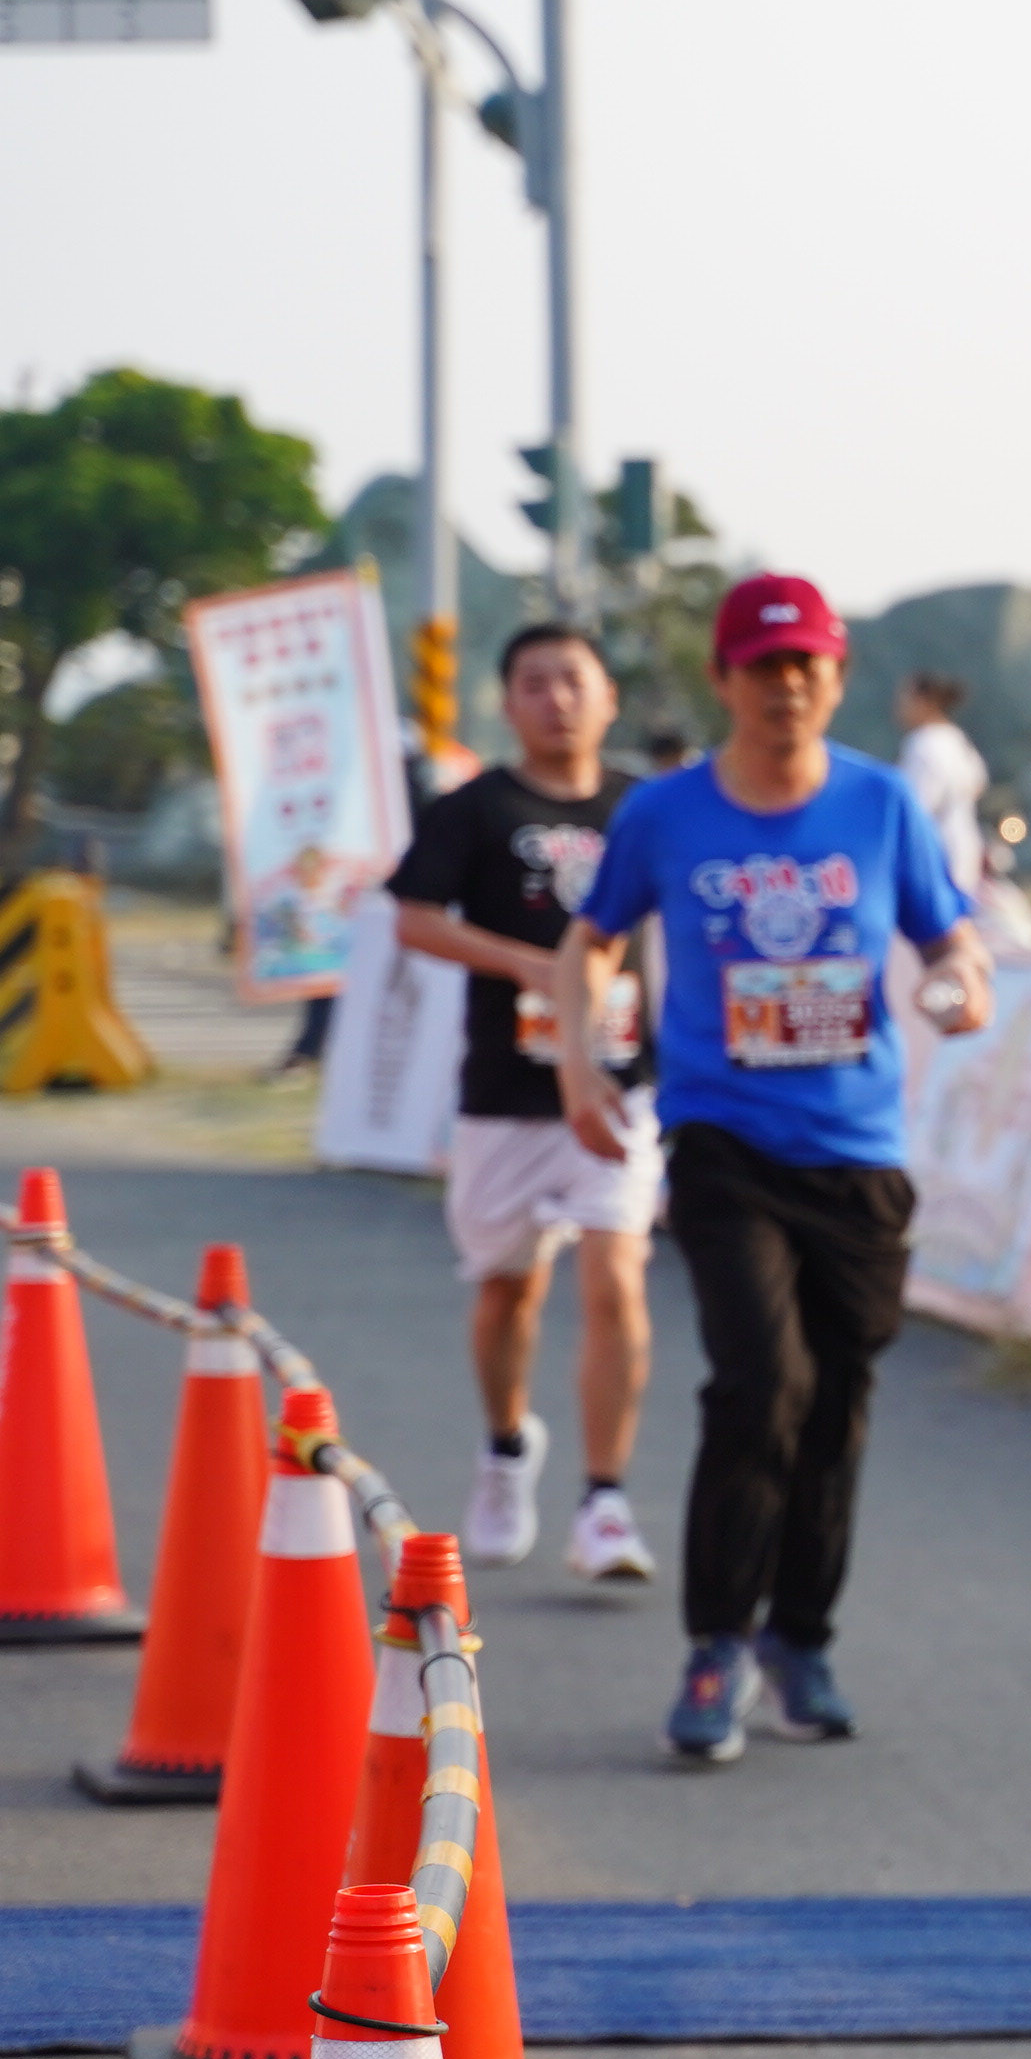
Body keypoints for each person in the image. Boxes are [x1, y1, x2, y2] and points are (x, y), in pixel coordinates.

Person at [547, 573, 991, 1765]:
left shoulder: (880, 802)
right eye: (763, 667)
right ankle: (716, 1643)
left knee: (836, 1399)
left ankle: (802, 1637)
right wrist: (582, 1067)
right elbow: (588, 942)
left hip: (858, 1152)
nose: (786, 687)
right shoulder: (666, 814)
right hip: (724, 1140)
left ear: (837, 679)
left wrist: (961, 988)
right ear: (725, 679)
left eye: (807, 666)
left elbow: (952, 938)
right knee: (759, 1382)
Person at [386, 621, 663, 1583]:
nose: (558, 700)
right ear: (507, 704)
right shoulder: (474, 809)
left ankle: (606, 1503)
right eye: (535, 684)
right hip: (507, 1094)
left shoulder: (643, 808)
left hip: (621, 1084)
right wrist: (528, 965)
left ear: (609, 697)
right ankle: (507, 1449)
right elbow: (415, 919)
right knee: (510, 1289)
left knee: (616, 1276)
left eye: (575, 680)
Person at [896, 670, 1031, 948]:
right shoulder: (955, 739)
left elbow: (916, 807)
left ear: (923, 701)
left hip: (935, 849)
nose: (900, 707)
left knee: (933, 935)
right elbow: (978, 782)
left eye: (905, 698)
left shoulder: (924, 743)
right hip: (965, 844)